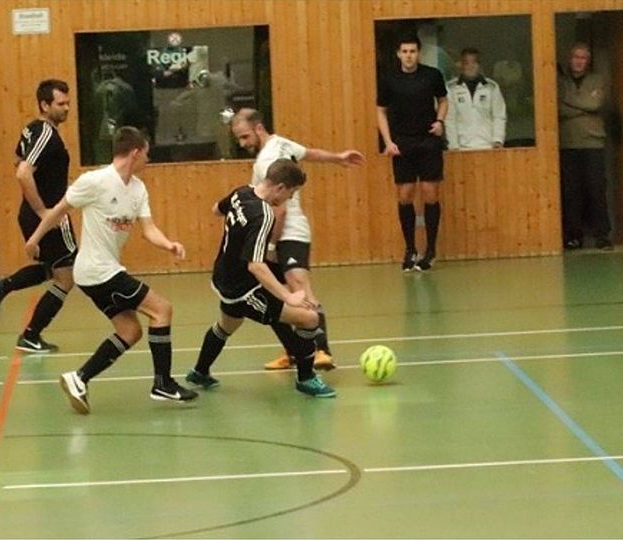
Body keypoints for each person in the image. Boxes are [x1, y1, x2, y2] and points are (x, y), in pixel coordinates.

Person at [24, 127, 198, 414]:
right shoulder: (94, 181)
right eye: (147, 154)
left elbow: (149, 228)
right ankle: (163, 383)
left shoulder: (138, 188)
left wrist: (168, 244)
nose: (148, 159)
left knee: (130, 331)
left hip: (106, 271)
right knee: (162, 310)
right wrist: (35, 239)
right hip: (96, 270)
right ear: (135, 152)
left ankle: (79, 378)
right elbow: (59, 210)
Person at [185, 158, 336, 398]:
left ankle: (199, 372)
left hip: (222, 278)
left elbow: (216, 209)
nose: (288, 200)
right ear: (280, 187)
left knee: (226, 326)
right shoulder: (264, 214)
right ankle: (306, 379)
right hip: (243, 289)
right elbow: (256, 266)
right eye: (291, 194)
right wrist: (288, 296)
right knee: (308, 318)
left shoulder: (240, 193)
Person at [229, 108, 364, 371]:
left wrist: (269, 245)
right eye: (239, 139)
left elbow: (278, 209)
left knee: (298, 284)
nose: (243, 144)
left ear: (259, 128)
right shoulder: (281, 143)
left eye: (245, 137)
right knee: (275, 297)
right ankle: (293, 351)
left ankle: (321, 350)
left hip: (290, 231)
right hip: (276, 232)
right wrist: (337, 158)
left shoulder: (267, 161)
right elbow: (309, 154)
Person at [0, 79, 77, 353]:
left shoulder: (31, 130)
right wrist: (43, 211)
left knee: (53, 269)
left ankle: (4, 287)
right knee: (66, 276)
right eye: (61, 104)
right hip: (47, 216)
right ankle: (31, 334)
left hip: (35, 214)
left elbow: (17, 158)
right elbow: (22, 171)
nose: (66, 109)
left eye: (68, 103)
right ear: (45, 105)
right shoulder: (46, 133)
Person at [377, 35, 448, 272]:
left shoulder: (432, 75)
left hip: (428, 140)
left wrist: (440, 121)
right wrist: (388, 141)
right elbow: (381, 111)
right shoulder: (389, 79)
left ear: (419, 53)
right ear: (398, 54)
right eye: (404, 51)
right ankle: (410, 249)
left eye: (413, 51)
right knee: (405, 195)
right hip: (402, 143)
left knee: (430, 193)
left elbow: (443, 100)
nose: (409, 55)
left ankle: (430, 250)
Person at [558, 42, 613, 250]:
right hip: (568, 143)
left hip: (593, 143)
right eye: (575, 57)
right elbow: (557, 107)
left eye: (583, 58)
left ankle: (602, 235)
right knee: (571, 192)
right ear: (569, 59)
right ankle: (574, 236)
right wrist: (582, 107)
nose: (578, 61)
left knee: (596, 190)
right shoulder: (561, 82)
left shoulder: (597, 80)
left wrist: (569, 101)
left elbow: (595, 104)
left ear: (588, 62)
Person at [444, 48, 507, 150]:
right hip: (461, 147)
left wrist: (498, 140)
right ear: (461, 65)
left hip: (488, 145)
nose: (470, 66)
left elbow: (499, 116)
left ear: (479, 65)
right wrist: (453, 146)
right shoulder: (451, 88)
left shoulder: (492, 87)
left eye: (474, 62)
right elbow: (450, 119)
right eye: (467, 63)